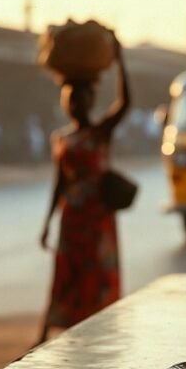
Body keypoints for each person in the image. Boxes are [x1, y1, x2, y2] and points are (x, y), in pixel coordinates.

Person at [37, 37, 130, 344]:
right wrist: (47, 223)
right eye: (71, 99)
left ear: (91, 101)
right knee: (66, 274)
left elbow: (124, 104)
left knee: (97, 275)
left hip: (98, 219)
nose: (76, 104)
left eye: (81, 99)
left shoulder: (101, 132)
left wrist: (120, 60)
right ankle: (46, 332)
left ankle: (100, 332)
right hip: (72, 219)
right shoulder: (61, 139)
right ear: (65, 103)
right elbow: (59, 184)